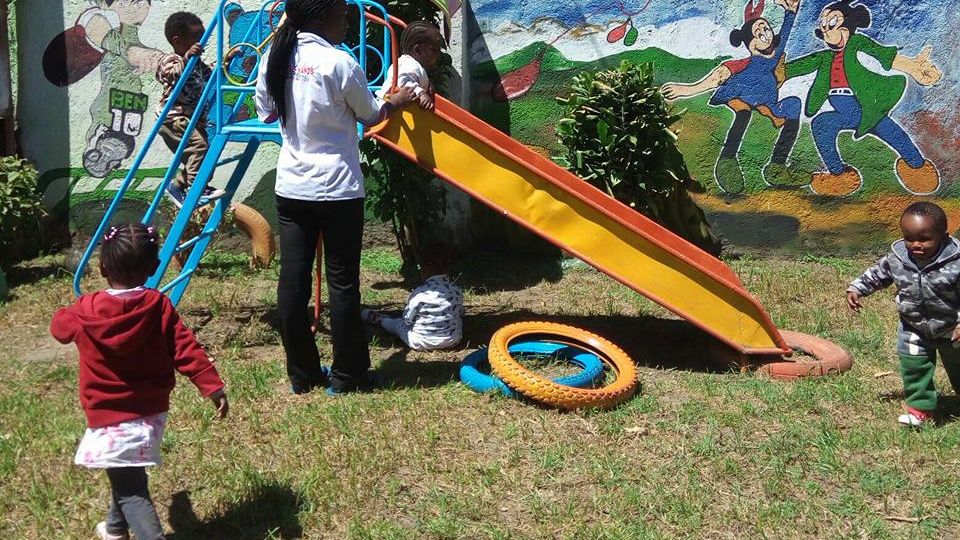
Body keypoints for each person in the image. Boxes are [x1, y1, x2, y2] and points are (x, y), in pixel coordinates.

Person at [254, 0, 416, 395]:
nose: (347, 23)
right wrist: (397, 101)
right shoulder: (339, 63)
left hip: (292, 188)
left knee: (293, 282)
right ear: (322, 17)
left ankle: (303, 374)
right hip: (338, 190)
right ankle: (348, 376)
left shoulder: (273, 59)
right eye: (343, 15)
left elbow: (267, 114)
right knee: (343, 285)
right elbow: (373, 115)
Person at [50, 223, 228, 540]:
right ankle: (116, 529)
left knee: (131, 488)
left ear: (103, 267)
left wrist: (71, 309)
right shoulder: (158, 306)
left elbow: (59, 330)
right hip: (150, 414)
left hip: (108, 417)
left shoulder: (84, 310)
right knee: (127, 473)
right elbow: (186, 349)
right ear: (154, 267)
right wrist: (211, 386)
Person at [847, 202, 960, 427]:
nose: (916, 244)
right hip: (913, 326)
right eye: (909, 238)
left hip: (952, 327)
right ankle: (920, 409)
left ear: (943, 236)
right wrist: (857, 288)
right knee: (914, 367)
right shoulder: (898, 258)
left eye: (924, 238)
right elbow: (878, 273)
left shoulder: (956, 263)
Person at [155, 11, 227, 208]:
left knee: (205, 153)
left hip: (193, 119)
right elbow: (171, 75)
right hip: (173, 119)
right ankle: (197, 189)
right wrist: (187, 58)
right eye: (197, 38)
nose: (201, 43)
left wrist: (226, 63)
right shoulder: (169, 60)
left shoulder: (197, 64)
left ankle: (178, 186)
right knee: (199, 148)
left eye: (203, 38)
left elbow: (211, 75)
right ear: (178, 41)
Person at [361, 246, 464, 350]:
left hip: (421, 342)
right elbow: (460, 312)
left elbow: (407, 320)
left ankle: (379, 319)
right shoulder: (456, 290)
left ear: (424, 269)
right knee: (457, 319)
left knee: (398, 324)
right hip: (453, 340)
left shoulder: (419, 293)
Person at [376, 21, 444, 111]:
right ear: (418, 50)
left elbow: (414, 79)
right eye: (434, 50)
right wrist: (421, 93)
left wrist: (427, 86)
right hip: (386, 114)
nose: (438, 54)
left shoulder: (415, 66)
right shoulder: (408, 64)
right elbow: (404, 81)